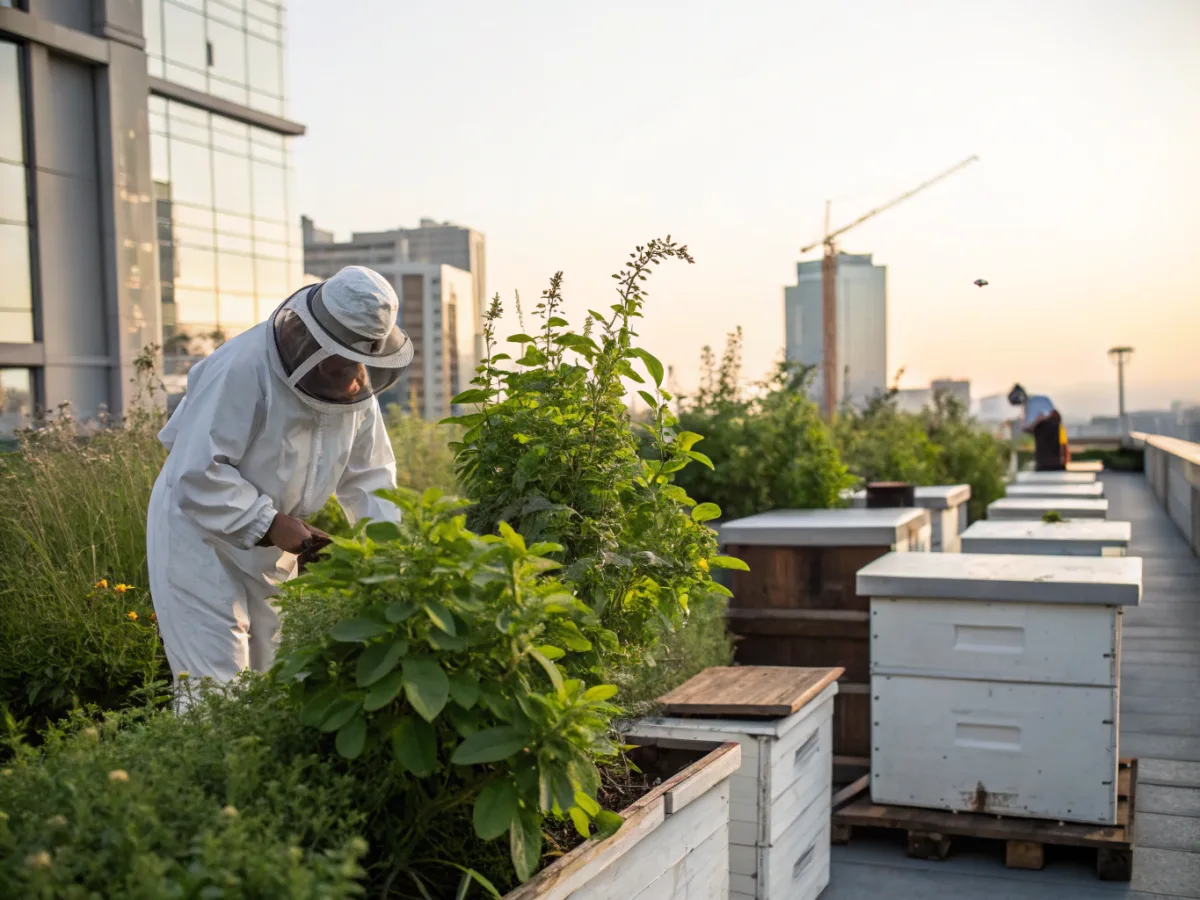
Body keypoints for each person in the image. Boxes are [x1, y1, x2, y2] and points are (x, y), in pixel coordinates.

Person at [147, 266, 413, 687]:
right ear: (311, 336)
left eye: (357, 361)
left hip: (273, 544)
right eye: (338, 360)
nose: (345, 374)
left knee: (274, 676)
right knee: (215, 685)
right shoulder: (241, 367)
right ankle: (205, 752)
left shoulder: (356, 394)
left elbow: (370, 479)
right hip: (196, 535)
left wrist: (385, 561)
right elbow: (195, 473)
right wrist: (270, 523)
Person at [1021, 390, 1070, 472]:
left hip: (1045, 466)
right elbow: (1064, 445)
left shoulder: (1041, 427)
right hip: (1053, 465)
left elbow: (1027, 428)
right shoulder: (1055, 425)